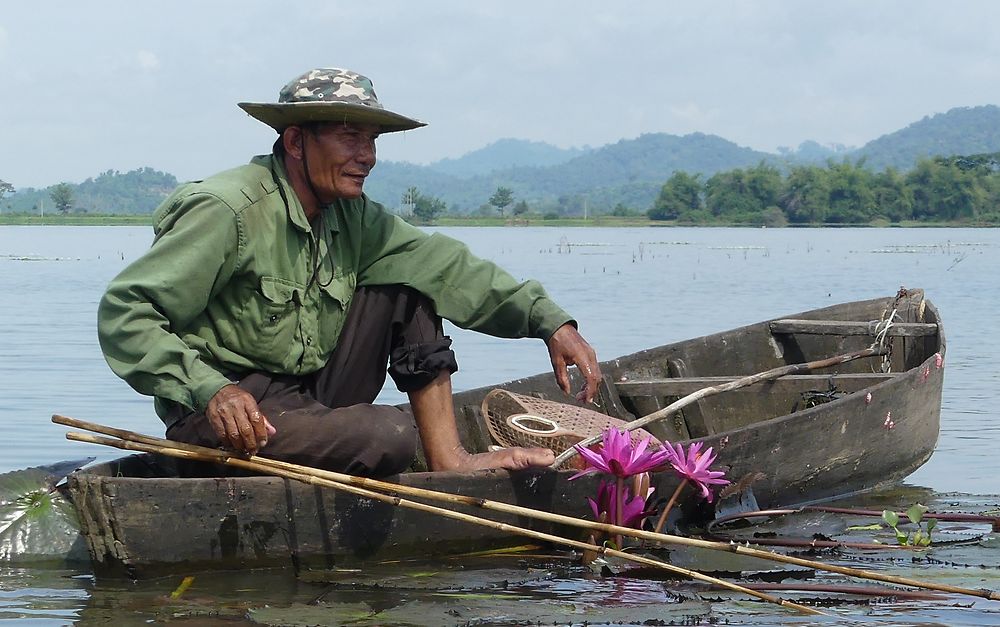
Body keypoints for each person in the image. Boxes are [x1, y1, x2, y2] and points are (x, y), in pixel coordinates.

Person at [97, 67, 601, 478]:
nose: (367, 156)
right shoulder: (229, 210)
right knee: (390, 436)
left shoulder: (353, 216)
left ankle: (451, 461)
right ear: (295, 142)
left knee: (410, 284)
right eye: (349, 137)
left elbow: (449, 267)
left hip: (308, 399)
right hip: (226, 414)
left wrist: (548, 321)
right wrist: (211, 391)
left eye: (372, 139)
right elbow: (128, 314)